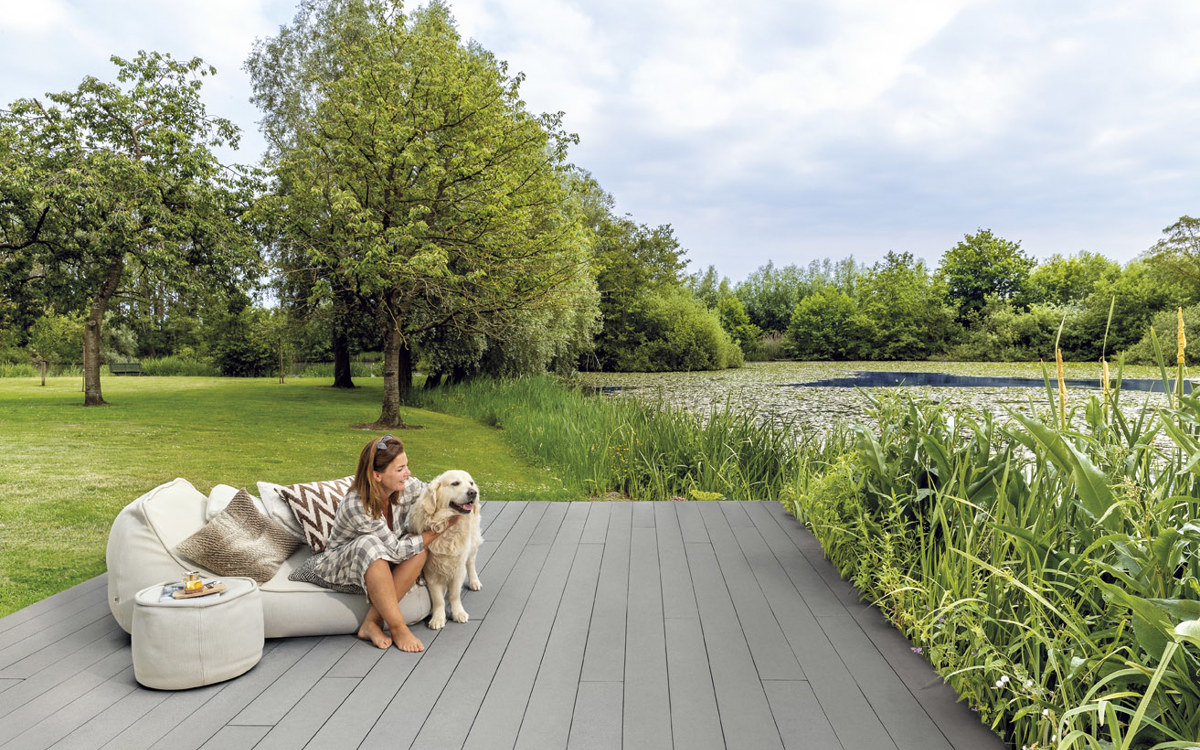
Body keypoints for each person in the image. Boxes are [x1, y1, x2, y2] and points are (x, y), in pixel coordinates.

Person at [309, 433, 459, 652]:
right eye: (400, 469)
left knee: (418, 550)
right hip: (340, 564)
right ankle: (398, 628)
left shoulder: (405, 486)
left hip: (383, 556)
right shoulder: (358, 504)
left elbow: (432, 492)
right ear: (376, 476)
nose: (407, 473)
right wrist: (440, 528)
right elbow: (397, 551)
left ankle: (371, 623)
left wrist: (460, 496)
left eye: (406, 466)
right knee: (370, 543)